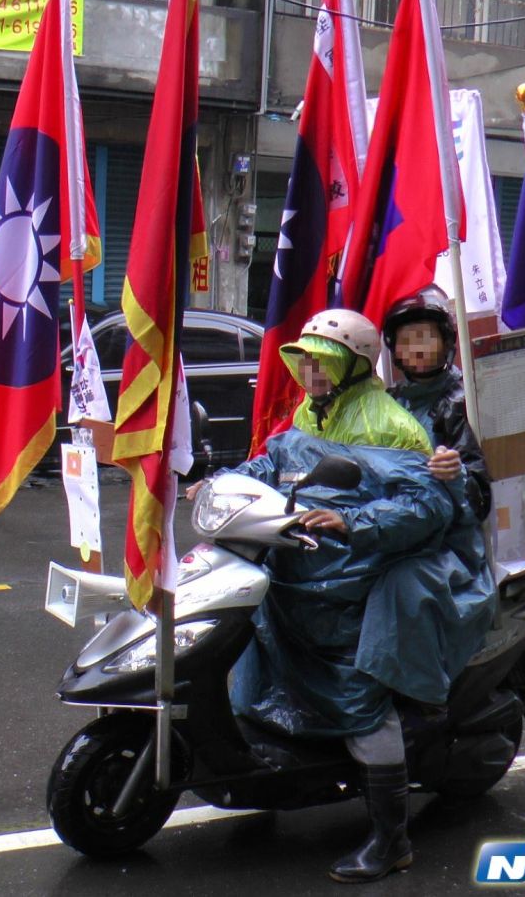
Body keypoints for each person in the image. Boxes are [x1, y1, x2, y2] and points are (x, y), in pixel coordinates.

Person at [189, 309, 495, 884]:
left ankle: (391, 839)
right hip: (297, 574)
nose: (312, 371)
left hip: (351, 582)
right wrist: (218, 481)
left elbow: (425, 504)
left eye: (324, 361)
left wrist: (352, 523)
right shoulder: (309, 414)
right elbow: (272, 464)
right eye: (305, 360)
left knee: (359, 700)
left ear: (355, 366)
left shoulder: (392, 424)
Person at [382, 285, 492, 521]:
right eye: (407, 341)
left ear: (446, 341)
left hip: (445, 534)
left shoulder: (464, 400)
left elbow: (479, 500)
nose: (416, 350)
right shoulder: (388, 402)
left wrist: (455, 474)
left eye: (424, 338)